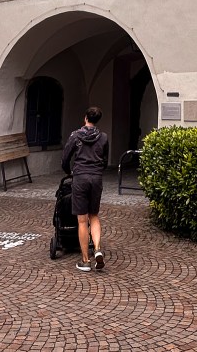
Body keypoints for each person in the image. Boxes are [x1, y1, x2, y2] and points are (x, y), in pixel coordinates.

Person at [61, 105, 109, 271]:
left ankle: (85, 260)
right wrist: (98, 170)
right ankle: (97, 249)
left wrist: (69, 172)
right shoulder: (103, 137)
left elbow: (65, 158)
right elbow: (105, 160)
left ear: (86, 118)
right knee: (94, 215)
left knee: (82, 220)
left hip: (80, 177)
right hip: (96, 178)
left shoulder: (76, 135)